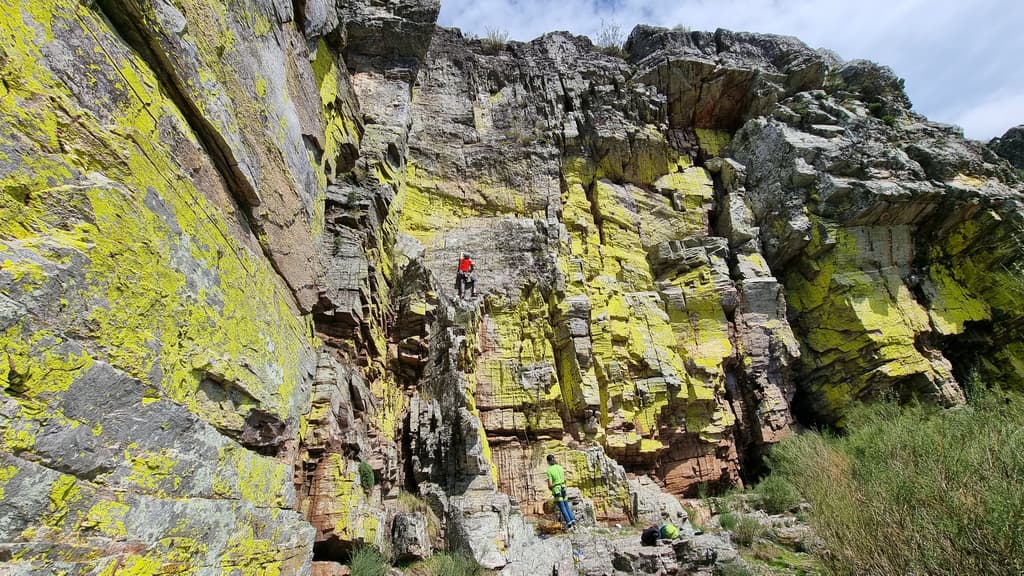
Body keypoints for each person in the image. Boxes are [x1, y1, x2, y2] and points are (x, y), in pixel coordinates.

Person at [546, 454, 575, 529]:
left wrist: (551, 489)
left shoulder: (549, 470)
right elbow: (563, 479)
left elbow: (550, 484)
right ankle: (573, 522)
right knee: (567, 506)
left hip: (557, 490)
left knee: (562, 508)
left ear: (548, 461)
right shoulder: (560, 467)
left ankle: (569, 524)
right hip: (563, 488)